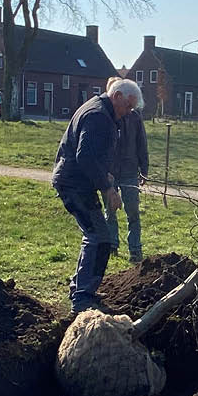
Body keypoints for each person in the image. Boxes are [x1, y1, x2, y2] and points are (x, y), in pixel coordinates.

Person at [53, 79, 143, 313]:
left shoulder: (98, 109)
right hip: (75, 183)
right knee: (99, 237)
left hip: (74, 181)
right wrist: (107, 188)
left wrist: (106, 175)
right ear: (117, 96)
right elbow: (85, 157)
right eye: (127, 107)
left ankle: (80, 288)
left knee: (94, 235)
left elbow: (92, 156)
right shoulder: (98, 117)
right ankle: (83, 299)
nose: (127, 114)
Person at [104, 76, 149, 263]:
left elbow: (142, 143)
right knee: (110, 211)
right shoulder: (106, 116)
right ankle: (112, 245)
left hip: (130, 171)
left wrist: (143, 170)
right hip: (111, 171)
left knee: (133, 212)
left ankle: (135, 250)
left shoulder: (135, 118)